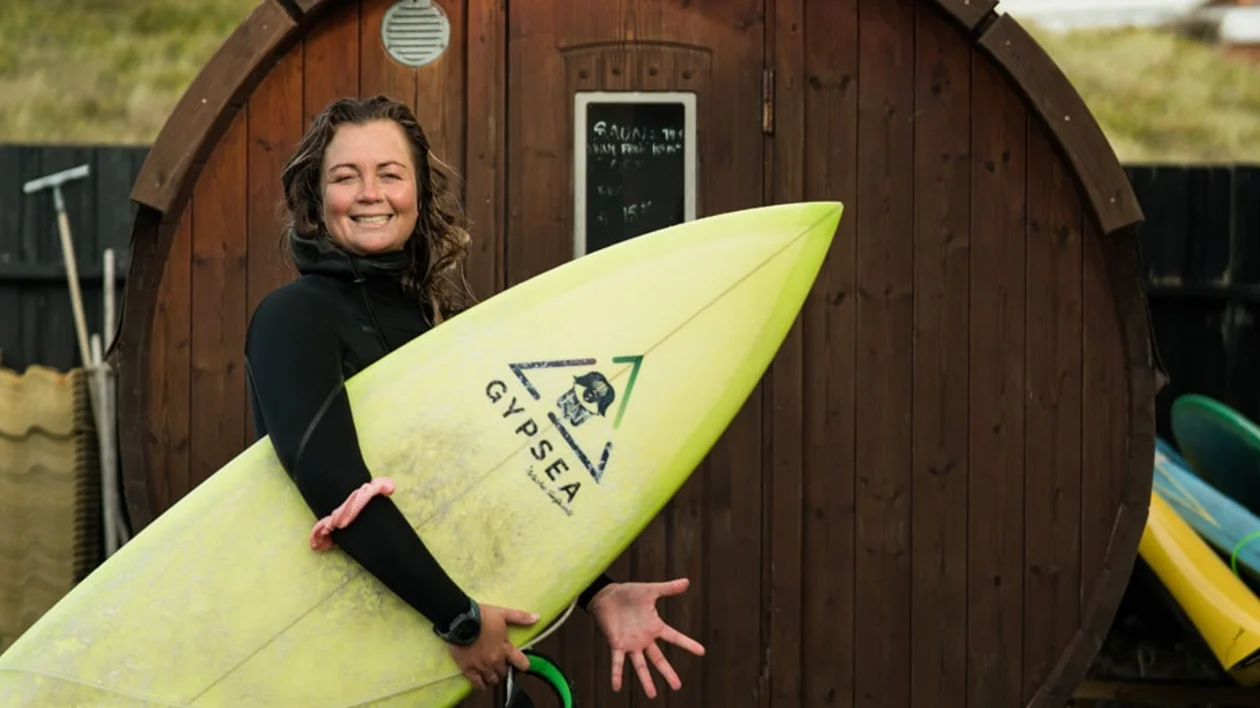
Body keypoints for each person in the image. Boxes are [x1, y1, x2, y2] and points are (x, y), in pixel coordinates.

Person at [243, 94, 705, 698]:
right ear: (315, 197)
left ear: (420, 193)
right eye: (344, 177)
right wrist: (459, 619)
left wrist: (598, 591)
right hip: (338, 649)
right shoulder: (292, 319)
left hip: (440, 653)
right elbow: (336, 490)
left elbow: (496, 477)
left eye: (390, 174)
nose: (369, 193)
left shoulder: (438, 319)